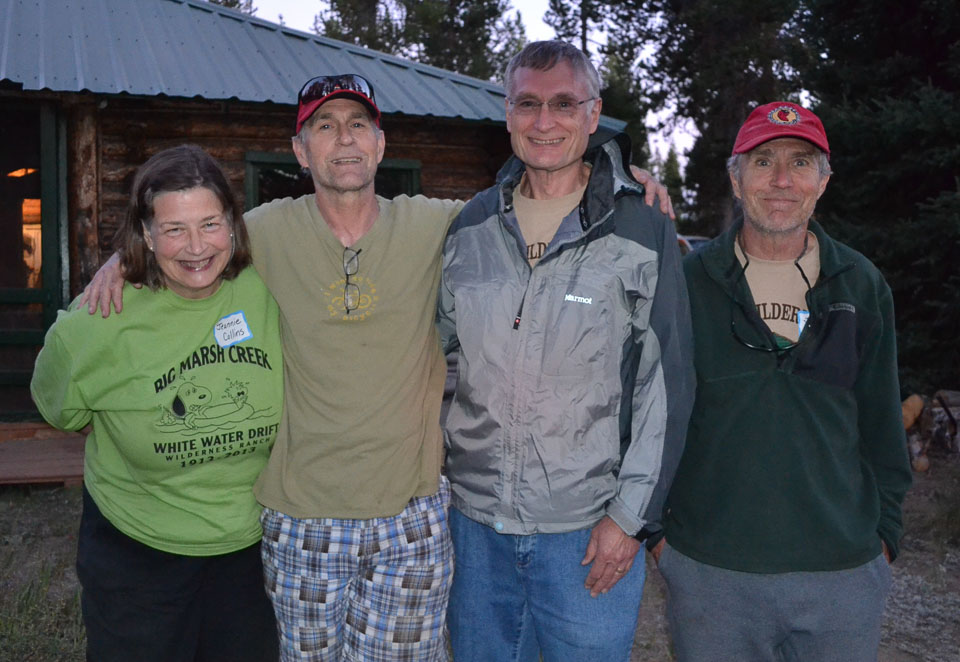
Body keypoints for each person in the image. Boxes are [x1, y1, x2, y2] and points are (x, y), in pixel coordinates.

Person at [80, 72, 672, 661]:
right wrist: (121, 260)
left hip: (408, 522)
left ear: (380, 145)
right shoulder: (262, 233)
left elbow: (539, 201)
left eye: (358, 124)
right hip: (301, 519)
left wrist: (622, 182)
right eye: (325, 126)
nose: (344, 139)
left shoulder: (441, 224)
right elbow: (190, 240)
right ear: (300, 151)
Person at [437, 41, 695, 662]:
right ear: (507, 113)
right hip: (474, 532)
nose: (544, 121)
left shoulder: (639, 230)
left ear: (592, 112)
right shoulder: (470, 226)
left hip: (586, 534)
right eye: (528, 103)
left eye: (562, 104)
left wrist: (629, 519)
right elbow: (439, 366)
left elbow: (666, 388)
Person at [652, 101, 913, 662]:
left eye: (800, 163)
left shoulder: (861, 284)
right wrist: (659, 536)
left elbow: (882, 423)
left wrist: (884, 535)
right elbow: (652, 411)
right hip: (710, 572)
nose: (780, 180)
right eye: (762, 160)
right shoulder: (688, 282)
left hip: (842, 576)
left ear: (823, 181)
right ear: (736, 177)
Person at [31, 144, 283, 662]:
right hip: (136, 552)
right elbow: (62, 412)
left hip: (249, 552)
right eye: (173, 229)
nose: (196, 247)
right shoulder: (94, 323)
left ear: (234, 223)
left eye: (210, 223)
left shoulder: (273, 288)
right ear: (145, 234)